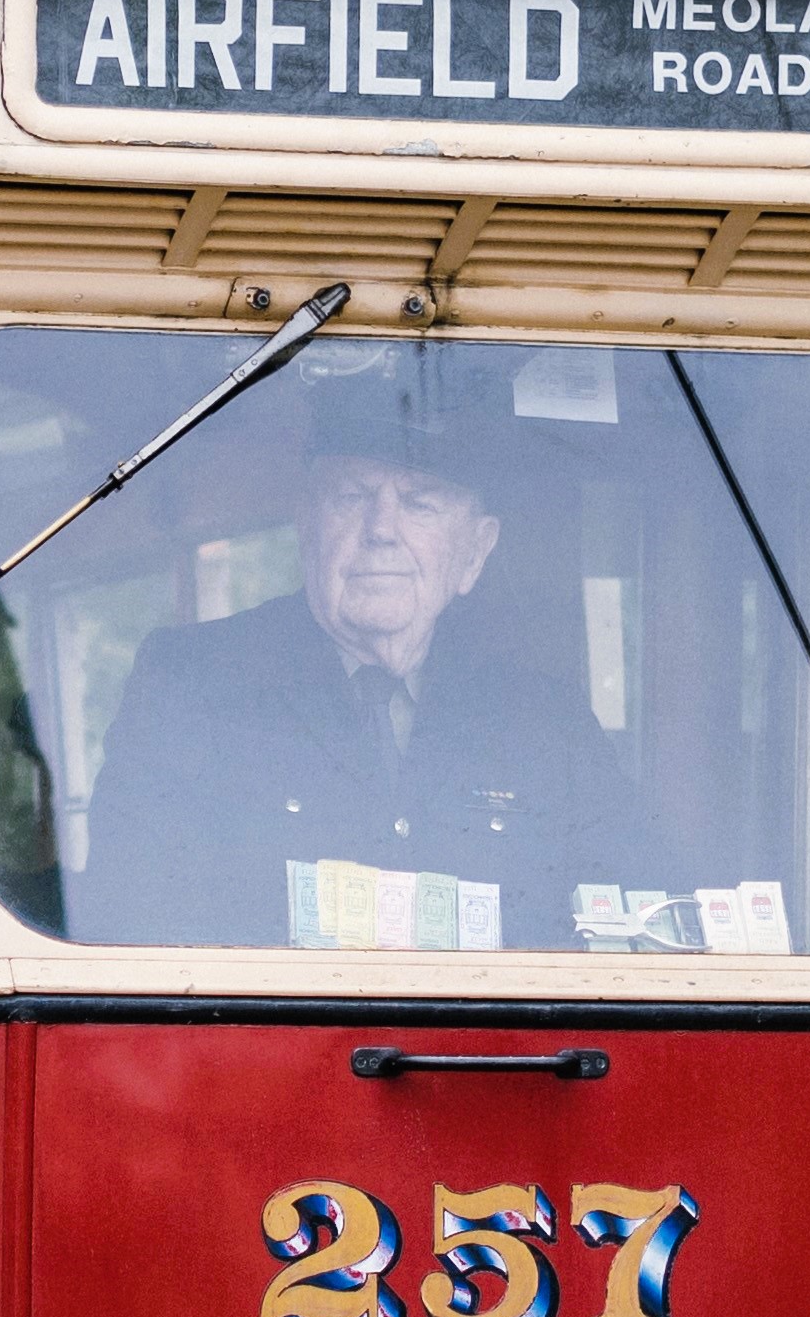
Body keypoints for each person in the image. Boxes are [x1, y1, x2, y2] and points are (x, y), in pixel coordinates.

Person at [72, 359, 624, 943]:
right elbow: (128, 923)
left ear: (474, 552)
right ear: (306, 524)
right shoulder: (192, 686)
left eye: (420, 504)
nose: (382, 529)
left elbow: (634, 919)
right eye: (353, 496)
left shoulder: (544, 723)